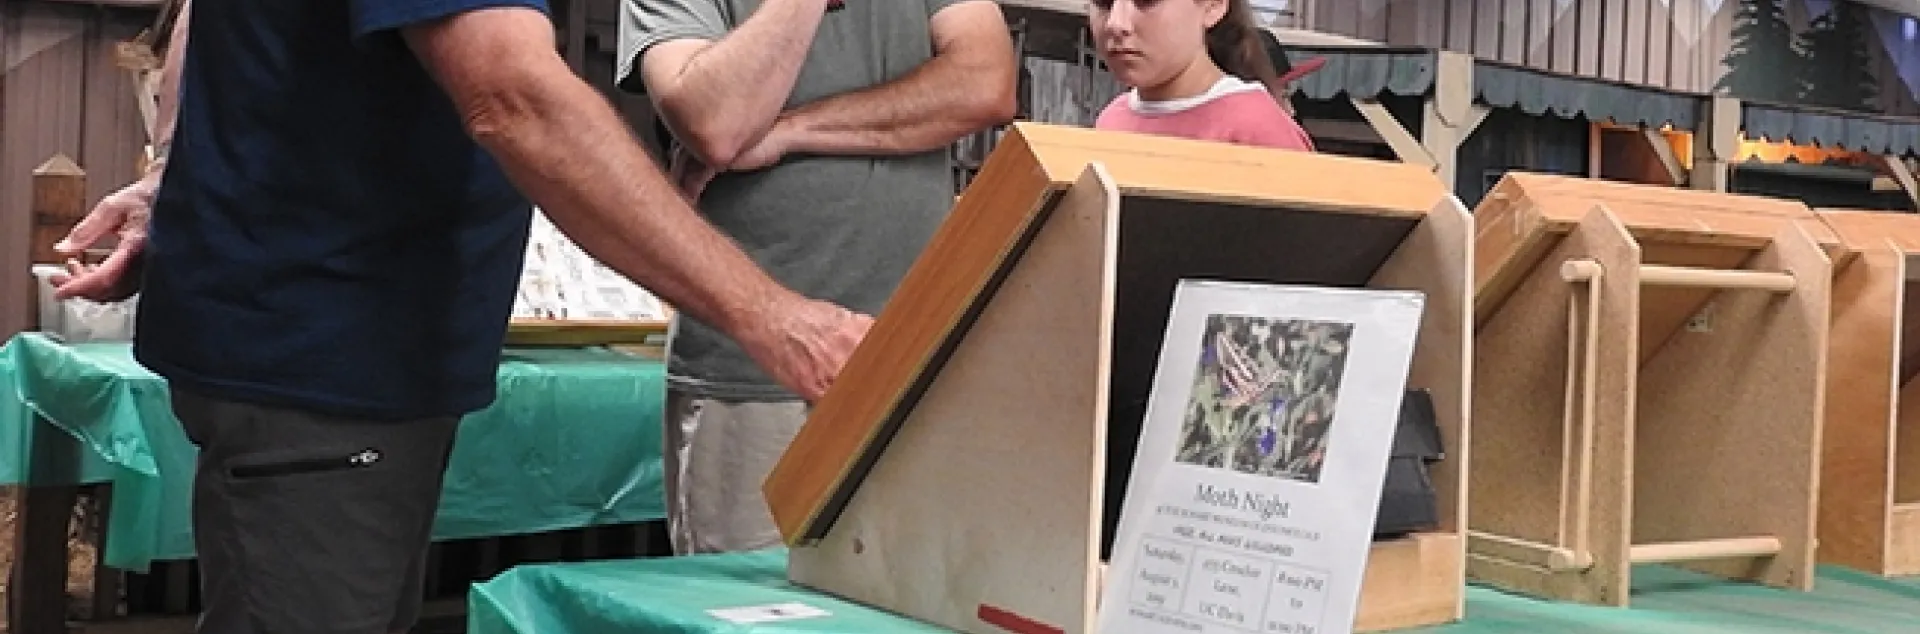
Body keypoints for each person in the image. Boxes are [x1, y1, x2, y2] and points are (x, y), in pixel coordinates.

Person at [49, 0, 874, 632]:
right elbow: (514, 98)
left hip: (343, 345)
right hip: (324, 355)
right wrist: (777, 320)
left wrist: (176, 169)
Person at [618, 0, 1018, 554]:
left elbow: (986, 84)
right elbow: (718, 124)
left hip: (911, 357)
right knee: (748, 605)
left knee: (905, 604)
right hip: (756, 371)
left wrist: (791, 129)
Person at [1088, 0, 1316, 151]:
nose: (1116, 23)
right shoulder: (1111, 121)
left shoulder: (1257, 130)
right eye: (1103, 2)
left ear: (1213, 5)